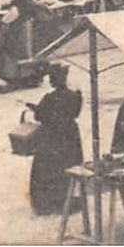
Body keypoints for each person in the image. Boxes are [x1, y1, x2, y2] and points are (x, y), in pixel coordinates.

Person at [28, 65, 83, 214]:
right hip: (70, 137)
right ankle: (69, 200)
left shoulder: (49, 98)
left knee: (48, 170)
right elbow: (76, 112)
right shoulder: (74, 96)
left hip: (52, 138)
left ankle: (48, 203)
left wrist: (35, 108)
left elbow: (40, 116)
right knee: (68, 167)